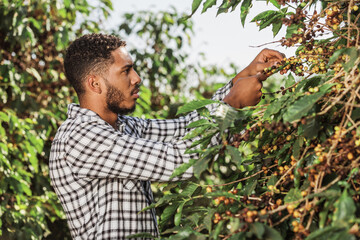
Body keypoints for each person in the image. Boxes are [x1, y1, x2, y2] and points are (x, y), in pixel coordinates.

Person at [49, 33, 284, 239]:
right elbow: (180, 161)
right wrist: (231, 104)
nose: (137, 78)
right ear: (95, 84)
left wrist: (244, 76)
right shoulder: (81, 136)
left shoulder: (123, 127)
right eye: (126, 70)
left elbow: (187, 127)